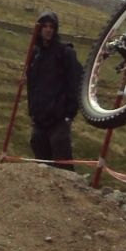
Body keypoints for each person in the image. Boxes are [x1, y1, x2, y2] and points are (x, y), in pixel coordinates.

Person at [26, 11, 81, 171]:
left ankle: (71, 186)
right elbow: (31, 85)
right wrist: (32, 111)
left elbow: (74, 83)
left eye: (52, 27)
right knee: (42, 162)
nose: (48, 30)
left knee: (62, 163)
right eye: (45, 26)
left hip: (59, 119)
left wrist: (69, 114)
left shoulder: (65, 53)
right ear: (39, 29)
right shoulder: (35, 54)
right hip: (39, 118)